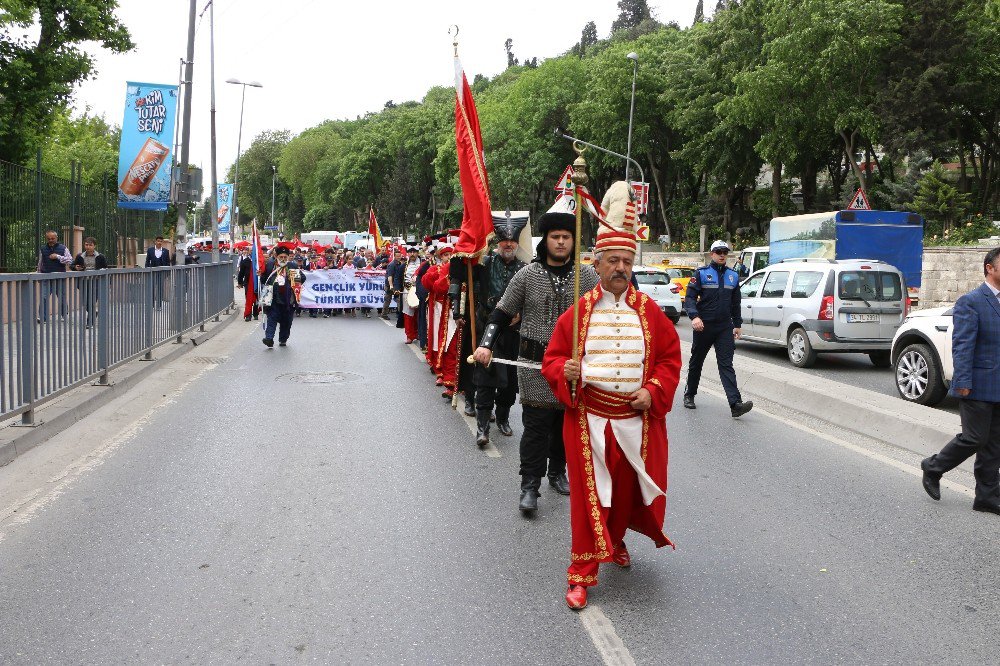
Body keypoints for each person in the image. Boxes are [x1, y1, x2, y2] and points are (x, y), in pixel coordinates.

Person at [541, 180, 681, 611]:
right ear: (597, 264)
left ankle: (616, 539)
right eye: (612, 260)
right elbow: (553, 359)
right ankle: (581, 573)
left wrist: (652, 391)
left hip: (636, 422)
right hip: (589, 422)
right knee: (589, 498)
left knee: (624, 492)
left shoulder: (650, 312)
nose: (620, 267)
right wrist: (564, 373)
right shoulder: (578, 313)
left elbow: (670, 362)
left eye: (626, 260)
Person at [473, 201, 600, 514]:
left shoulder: (586, 278)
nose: (560, 242)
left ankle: (557, 471)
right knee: (536, 430)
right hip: (534, 366)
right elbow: (500, 313)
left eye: (566, 237)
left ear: (573, 241)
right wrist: (486, 345)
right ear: (547, 241)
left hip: (571, 366)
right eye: (555, 236)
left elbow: (607, 313)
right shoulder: (528, 275)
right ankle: (530, 485)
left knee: (564, 425)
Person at [921, 247, 1000, 515]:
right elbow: (962, 345)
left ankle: (987, 496)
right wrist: (962, 381)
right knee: (974, 438)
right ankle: (933, 467)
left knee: (994, 443)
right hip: (977, 383)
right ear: (989, 267)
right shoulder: (972, 301)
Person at [470, 212, 528, 445]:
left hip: (514, 333)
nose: (508, 244)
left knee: (509, 385)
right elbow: (464, 275)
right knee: (485, 381)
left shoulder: (526, 269)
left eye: (512, 241)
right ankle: (482, 428)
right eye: (505, 240)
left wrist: (520, 315)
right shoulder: (484, 263)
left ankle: (503, 419)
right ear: (498, 241)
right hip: (488, 330)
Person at [682, 239, 754, 418]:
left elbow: (736, 303)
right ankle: (689, 394)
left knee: (726, 365)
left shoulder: (733, 276)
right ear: (712, 254)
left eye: (725, 252)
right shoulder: (701, 273)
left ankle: (735, 404)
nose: (722, 255)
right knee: (696, 362)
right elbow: (690, 298)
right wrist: (694, 316)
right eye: (718, 252)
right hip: (703, 325)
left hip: (724, 327)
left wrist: (737, 324)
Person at [260, 246, 306, 348]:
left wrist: (294, 278)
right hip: (273, 299)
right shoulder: (270, 266)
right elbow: (264, 279)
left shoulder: (292, 266)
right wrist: (259, 274)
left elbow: (303, 278)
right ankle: (269, 338)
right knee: (272, 318)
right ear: (276, 256)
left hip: (288, 300)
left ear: (288, 257)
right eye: (281, 257)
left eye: (285, 257)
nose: (283, 259)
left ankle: (283, 339)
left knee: (286, 321)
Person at [37, 229, 73, 322]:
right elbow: (40, 263)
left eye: (52, 238)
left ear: (56, 238)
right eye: (48, 238)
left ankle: (64, 315)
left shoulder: (63, 248)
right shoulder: (43, 249)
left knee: (62, 297)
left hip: (60, 277)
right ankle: (43, 317)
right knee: (43, 297)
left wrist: (58, 256)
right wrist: (38, 274)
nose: (50, 240)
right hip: (45, 276)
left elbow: (70, 260)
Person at [72, 236, 108, 328]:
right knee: (85, 302)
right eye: (86, 245)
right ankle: (93, 313)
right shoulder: (80, 256)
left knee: (91, 302)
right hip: (84, 282)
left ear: (94, 246)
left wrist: (108, 283)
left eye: (90, 245)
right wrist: (75, 267)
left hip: (96, 281)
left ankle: (90, 322)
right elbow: (72, 265)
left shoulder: (100, 257)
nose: (88, 247)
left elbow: (106, 269)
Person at [401, 246, 422, 343]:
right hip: (407, 290)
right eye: (410, 252)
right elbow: (398, 277)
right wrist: (396, 289)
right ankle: (409, 335)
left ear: (418, 253)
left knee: (420, 313)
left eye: (414, 252)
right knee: (408, 313)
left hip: (420, 290)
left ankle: (418, 333)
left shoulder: (424, 264)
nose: (412, 254)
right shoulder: (403, 265)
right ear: (407, 253)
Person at [145, 235, 172, 310]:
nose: (159, 242)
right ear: (155, 241)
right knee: (152, 288)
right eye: (158, 241)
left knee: (160, 289)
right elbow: (147, 261)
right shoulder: (150, 250)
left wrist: (166, 273)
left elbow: (167, 263)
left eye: (161, 241)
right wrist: (147, 270)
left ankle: (159, 305)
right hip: (152, 272)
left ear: (162, 242)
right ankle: (152, 304)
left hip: (161, 273)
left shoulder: (165, 251)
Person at [236, 247, 260, 322]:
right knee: (248, 298)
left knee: (256, 298)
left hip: (257, 283)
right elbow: (241, 273)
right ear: (249, 252)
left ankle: (255, 313)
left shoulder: (258, 262)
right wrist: (240, 283)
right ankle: (248, 315)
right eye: (251, 251)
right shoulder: (245, 261)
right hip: (248, 283)